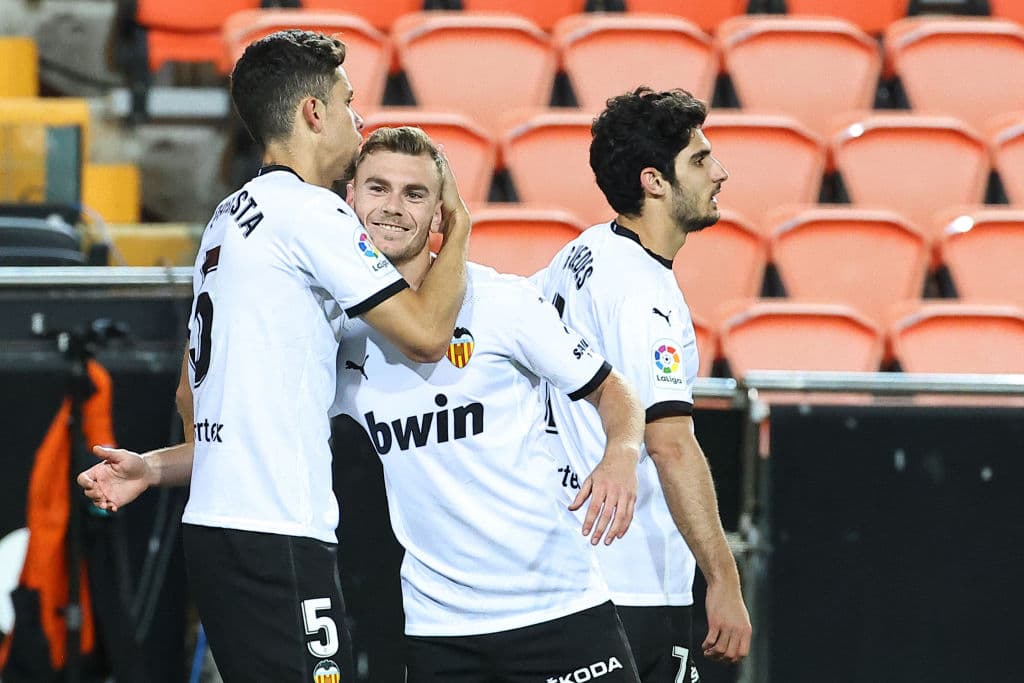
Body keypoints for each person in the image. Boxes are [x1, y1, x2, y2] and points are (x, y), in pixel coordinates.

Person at [78, 30, 473, 682]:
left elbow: (193, 399)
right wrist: (455, 226)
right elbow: (429, 333)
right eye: (349, 103)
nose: (360, 120)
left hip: (218, 529)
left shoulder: (228, 218)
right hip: (277, 535)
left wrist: (151, 467)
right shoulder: (311, 213)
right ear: (314, 114)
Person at [332, 126, 644, 682]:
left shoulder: (502, 302)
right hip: (437, 629)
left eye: (415, 194)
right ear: (349, 199)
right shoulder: (337, 334)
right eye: (377, 189)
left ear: (440, 213)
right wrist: (159, 465)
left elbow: (613, 389)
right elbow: (259, 425)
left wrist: (620, 453)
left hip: (556, 605)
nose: (393, 208)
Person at [533, 87, 752, 683]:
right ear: (655, 181)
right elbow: (669, 443)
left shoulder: (583, 251)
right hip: (632, 581)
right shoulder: (643, 297)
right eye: (701, 160)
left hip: (577, 570)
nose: (720, 173)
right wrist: (724, 579)